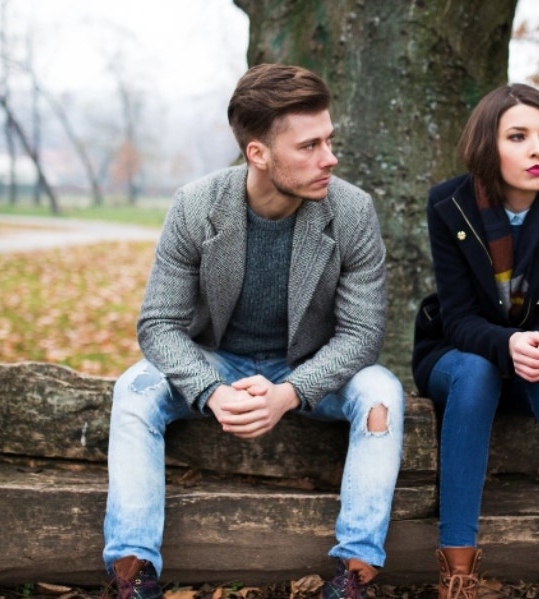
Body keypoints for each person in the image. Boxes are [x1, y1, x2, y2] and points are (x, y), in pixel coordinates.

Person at [102, 63, 404, 599]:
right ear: (258, 154)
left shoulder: (352, 212)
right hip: (218, 362)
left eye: (329, 140)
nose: (329, 158)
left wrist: (289, 394)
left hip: (311, 367)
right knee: (134, 389)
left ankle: (353, 574)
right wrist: (212, 392)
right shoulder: (196, 207)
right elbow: (159, 324)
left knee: (382, 392)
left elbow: (361, 333)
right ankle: (133, 574)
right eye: (309, 146)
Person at [412, 84, 539, 599]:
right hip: (454, 355)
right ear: (487, 145)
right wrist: (507, 345)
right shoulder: (449, 205)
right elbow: (456, 318)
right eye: (518, 136)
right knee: (477, 371)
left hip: (537, 357)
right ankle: (457, 575)